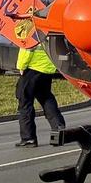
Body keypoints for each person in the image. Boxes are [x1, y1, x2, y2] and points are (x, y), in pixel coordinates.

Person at [13, 19, 68, 147]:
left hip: (31, 70)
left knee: (25, 103)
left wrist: (21, 66)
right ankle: (59, 127)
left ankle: (28, 138)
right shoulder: (47, 28)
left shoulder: (30, 28)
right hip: (46, 70)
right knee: (46, 98)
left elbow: (26, 49)